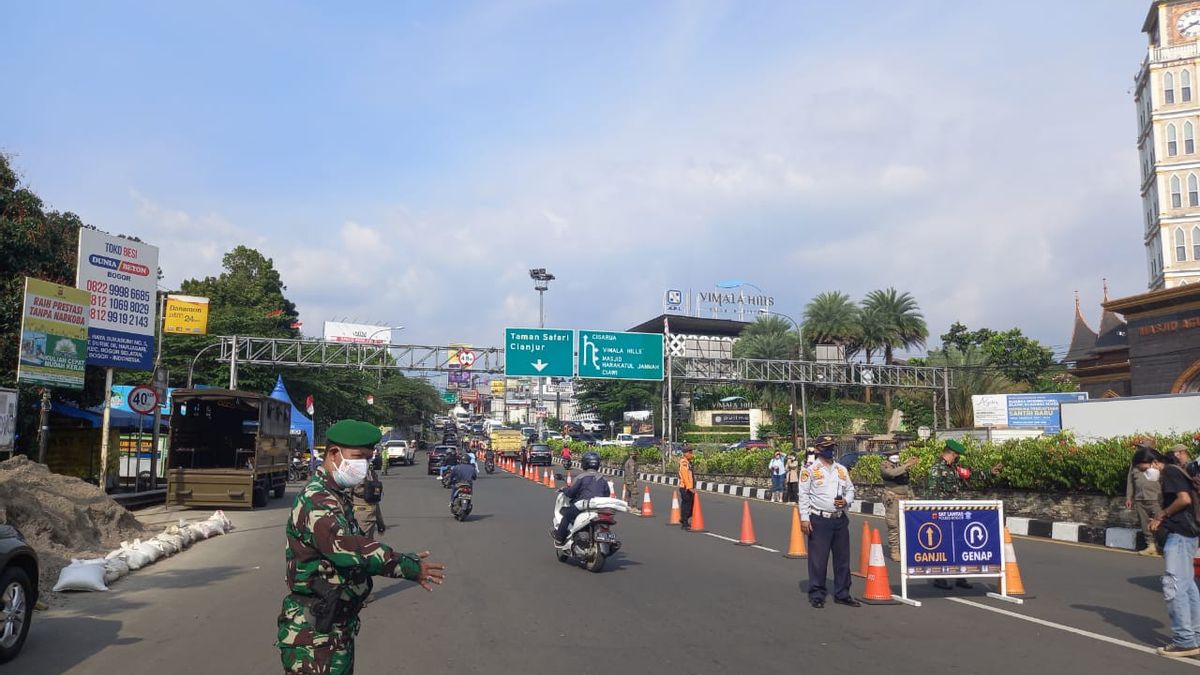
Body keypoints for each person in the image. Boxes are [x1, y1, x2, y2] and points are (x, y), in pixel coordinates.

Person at [277, 419, 445, 674]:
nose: (363, 465)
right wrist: (407, 566)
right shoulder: (318, 500)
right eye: (358, 457)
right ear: (334, 454)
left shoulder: (335, 495)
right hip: (314, 637)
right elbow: (351, 549)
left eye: (368, 458)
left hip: (332, 627)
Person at [926, 438, 1002, 590]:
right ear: (952, 454)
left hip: (958, 513)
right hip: (943, 515)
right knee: (944, 546)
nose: (958, 458)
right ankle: (940, 577)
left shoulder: (954, 468)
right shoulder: (937, 469)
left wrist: (989, 472)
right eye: (957, 455)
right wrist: (936, 514)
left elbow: (969, 474)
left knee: (960, 544)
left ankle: (961, 576)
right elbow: (932, 494)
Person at [798, 434, 859, 609]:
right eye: (825, 447)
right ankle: (817, 594)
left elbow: (851, 490)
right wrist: (804, 519)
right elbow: (804, 495)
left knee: (842, 560)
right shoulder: (809, 470)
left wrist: (846, 501)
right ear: (817, 449)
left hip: (839, 519)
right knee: (819, 559)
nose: (829, 450)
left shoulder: (841, 469)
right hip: (819, 519)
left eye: (832, 446)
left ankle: (843, 593)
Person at [1151, 443, 1200, 657]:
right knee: (1188, 586)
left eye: (1144, 468)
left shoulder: (1170, 472)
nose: (1147, 473)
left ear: (1154, 462)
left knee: (1174, 586)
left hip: (1179, 535)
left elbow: (1184, 500)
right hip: (1189, 535)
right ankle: (1195, 636)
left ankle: (1184, 640)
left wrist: (1162, 514)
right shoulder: (1181, 471)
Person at [552, 451, 611, 545]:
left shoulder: (581, 477)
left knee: (566, 516)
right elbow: (607, 493)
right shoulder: (603, 479)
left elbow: (571, 493)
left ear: (585, 464)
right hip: (599, 507)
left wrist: (564, 490)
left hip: (583, 506)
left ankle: (559, 538)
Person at [881, 452, 919, 561]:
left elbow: (907, 484)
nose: (896, 455)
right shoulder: (885, 466)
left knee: (907, 525)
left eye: (897, 453)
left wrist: (912, 497)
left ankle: (906, 549)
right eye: (893, 454)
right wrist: (907, 465)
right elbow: (892, 474)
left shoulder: (899, 465)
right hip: (893, 500)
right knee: (894, 525)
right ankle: (894, 550)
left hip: (905, 498)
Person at [1128, 445, 1164, 556]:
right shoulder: (1135, 465)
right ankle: (1150, 546)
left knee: (1160, 523)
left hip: (1156, 498)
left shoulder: (1156, 464)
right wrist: (1129, 496)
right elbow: (1130, 481)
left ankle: (1161, 546)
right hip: (1140, 498)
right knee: (1144, 524)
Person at [352, 459, 386, 538]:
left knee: (362, 544)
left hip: (362, 517)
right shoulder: (371, 474)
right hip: (369, 516)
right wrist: (380, 523)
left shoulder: (356, 475)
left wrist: (380, 523)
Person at [678, 446, 696, 530]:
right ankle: (684, 523)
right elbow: (685, 476)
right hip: (685, 487)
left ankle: (683, 519)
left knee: (691, 505)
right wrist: (689, 487)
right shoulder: (684, 462)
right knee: (687, 505)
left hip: (689, 487)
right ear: (685, 453)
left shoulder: (688, 462)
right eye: (690, 452)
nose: (691, 454)